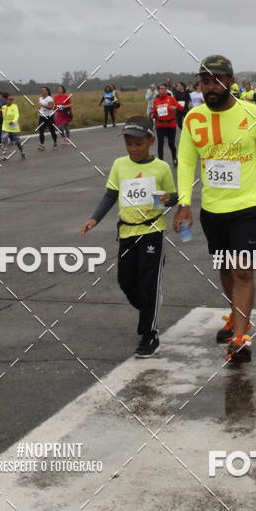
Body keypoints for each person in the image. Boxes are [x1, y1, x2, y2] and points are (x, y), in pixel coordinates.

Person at [174, 55, 256, 364]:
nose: (211, 87)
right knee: (225, 267)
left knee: (242, 269)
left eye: (217, 80)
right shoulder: (193, 118)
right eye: (205, 81)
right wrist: (183, 204)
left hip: (248, 207)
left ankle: (242, 337)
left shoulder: (254, 113)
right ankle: (236, 316)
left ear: (230, 81)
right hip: (212, 210)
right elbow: (187, 161)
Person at [81, 116, 177, 357]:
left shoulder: (161, 168)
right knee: (126, 280)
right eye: (128, 144)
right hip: (126, 231)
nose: (133, 149)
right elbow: (110, 195)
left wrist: (168, 198)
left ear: (151, 141)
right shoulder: (120, 165)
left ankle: (149, 334)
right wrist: (95, 218)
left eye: (138, 144)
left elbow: (172, 196)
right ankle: (149, 304)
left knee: (149, 282)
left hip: (151, 231)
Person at [150, 83, 183, 165]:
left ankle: (174, 157)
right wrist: (152, 114)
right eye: (161, 88)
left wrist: (175, 108)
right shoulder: (156, 101)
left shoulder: (171, 99)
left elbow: (181, 108)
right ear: (158, 90)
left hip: (171, 124)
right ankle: (161, 161)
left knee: (171, 144)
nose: (163, 90)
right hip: (160, 125)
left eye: (165, 88)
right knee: (160, 143)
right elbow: (154, 112)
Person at [0, 95, 26, 161]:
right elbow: (4, 117)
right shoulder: (3, 107)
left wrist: (13, 121)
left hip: (14, 127)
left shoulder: (14, 106)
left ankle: (22, 152)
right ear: (6, 100)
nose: (11, 101)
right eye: (9, 99)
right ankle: (3, 155)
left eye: (12, 99)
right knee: (4, 140)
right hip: (5, 127)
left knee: (17, 142)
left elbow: (17, 115)